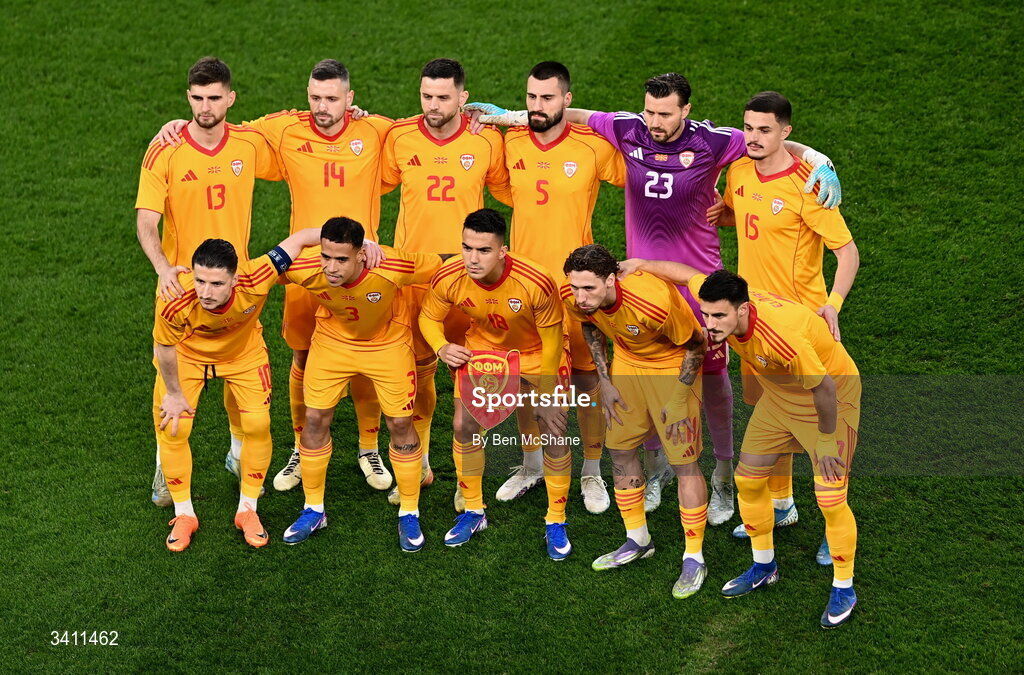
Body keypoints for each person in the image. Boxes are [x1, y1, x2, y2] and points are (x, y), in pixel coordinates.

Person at [467, 73, 842, 523]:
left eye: (665, 114)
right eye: (649, 111)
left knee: (713, 378)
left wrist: (820, 158)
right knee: (640, 369)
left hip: (697, 282)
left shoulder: (714, 140)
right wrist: (511, 117)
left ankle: (722, 477)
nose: (655, 122)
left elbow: (769, 143)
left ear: (686, 110)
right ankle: (658, 471)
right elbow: (576, 114)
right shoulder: (629, 129)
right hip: (642, 281)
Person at [153, 59, 393, 495]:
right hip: (304, 268)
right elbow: (218, 125)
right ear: (307, 94)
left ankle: (369, 446)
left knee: (366, 358)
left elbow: (430, 130)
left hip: (361, 267)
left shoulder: (376, 130)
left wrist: (474, 117)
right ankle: (302, 447)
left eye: (333, 98)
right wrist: (178, 125)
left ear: (350, 98)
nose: (323, 107)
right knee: (302, 356)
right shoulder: (282, 129)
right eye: (316, 97)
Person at [619, 261, 860, 628]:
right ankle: (764, 566)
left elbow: (824, 388)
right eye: (705, 314)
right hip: (780, 400)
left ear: (743, 310)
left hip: (830, 401)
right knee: (748, 482)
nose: (710, 324)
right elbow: (685, 274)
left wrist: (827, 441)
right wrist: (641, 264)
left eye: (718, 316)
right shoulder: (727, 305)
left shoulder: (783, 338)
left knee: (830, 497)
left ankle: (844, 587)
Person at [718, 91, 860, 562]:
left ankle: (832, 519)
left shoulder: (809, 184)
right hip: (751, 323)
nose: (754, 138)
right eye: (749, 128)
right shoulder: (737, 171)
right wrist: (717, 217)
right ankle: (781, 505)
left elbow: (847, 252)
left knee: (827, 427)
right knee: (766, 413)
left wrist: (834, 302)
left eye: (765, 129)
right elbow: (738, 215)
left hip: (802, 325)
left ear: (785, 132)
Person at [137, 56, 282, 507]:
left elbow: (303, 135)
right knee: (173, 392)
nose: (205, 106)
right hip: (183, 287)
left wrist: (350, 117)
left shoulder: (248, 143)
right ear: (188, 98)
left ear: (230, 98)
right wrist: (163, 268)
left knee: (240, 372)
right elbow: (146, 220)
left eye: (214, 97)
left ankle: (240, 452)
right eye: (197, 98)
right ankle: (166, 467)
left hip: (235, 284)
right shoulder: (165, 148)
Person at [486, 61, 625, 514]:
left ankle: (590, 472)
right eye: (531, 98)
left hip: (577, 287)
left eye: (548, 98)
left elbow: (639, 173)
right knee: (527, 378)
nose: (538, 106)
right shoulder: (512, 142)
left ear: (567, 99)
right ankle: (530, 465)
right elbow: (509, 194)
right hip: (525, 285)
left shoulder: (593, 146)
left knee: (585, 378)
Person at [381, 58, 511, 510]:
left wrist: (507, 122)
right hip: (414, 279)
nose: (433, 105)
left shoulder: (486, 139)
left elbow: (513, 188)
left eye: (442, 97)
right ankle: (418, 466)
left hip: (469, 278)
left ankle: (467, 481)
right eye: (426, 96)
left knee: (473, 376)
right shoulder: (399, 137)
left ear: (463, 97)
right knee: (417, 373)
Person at [278, 217, 447, 552]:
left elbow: (442, 264)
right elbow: (259, 273)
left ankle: (409, 511)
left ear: (361, 254)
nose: (331, 267)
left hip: (388, 345)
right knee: (315, 419)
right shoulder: (309, 267)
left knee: (400, 422)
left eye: (341, 259)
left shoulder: (391, 265)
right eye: (327, 256)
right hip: (332, 343)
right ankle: (314, 509)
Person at [419, 209, 573, 559]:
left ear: (503, 250)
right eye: (467, 247)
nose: (472, 259)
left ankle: (556, 519)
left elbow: (552, 341)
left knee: (553, 430)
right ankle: (473, 510)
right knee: (463, 426)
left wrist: (547, 390)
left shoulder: (536, 281)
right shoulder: (450, 276)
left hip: (537, 354)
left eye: (483, 250)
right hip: (484, 351)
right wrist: (442, 347)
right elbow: (428, 316)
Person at [154, 227, 320, 551]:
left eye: (216, 283)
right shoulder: (175, 298)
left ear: (235, 279)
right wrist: (174, 395)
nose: (206, 291)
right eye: (200, 280)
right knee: (173, 428)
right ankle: (184, 514)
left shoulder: (257, 275)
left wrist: (360, 243)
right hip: (188, 357)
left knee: (258, 425)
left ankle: (247, 510)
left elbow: (300, 239)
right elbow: (164, 347)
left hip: (243, 355)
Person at [561, 245, 709, 598]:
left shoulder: (652, 301)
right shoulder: (575, 297)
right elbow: (590, 327)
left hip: (672, 367)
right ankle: (638, 539)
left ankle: (694, 557)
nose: (580, 297)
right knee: (621, 450)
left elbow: (697, 345)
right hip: (627, 365)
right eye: (575, 288)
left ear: (611, 280)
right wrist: (605, 381)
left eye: (589, 289)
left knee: (684, 462)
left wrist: (676, 400)